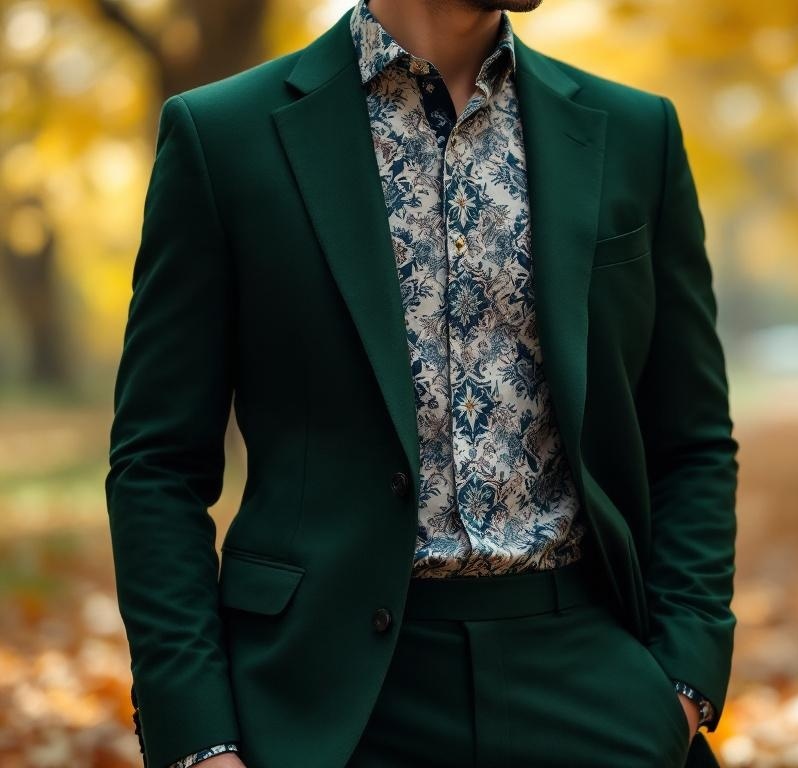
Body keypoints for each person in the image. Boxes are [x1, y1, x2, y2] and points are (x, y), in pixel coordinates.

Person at [105, 0, 740, 766]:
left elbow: (691, 436)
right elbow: (158, 465)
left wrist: (683, 680)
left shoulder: (636, 134)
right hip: (325, 703)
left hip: (593, 678)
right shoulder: (225, 137)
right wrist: (200, 739)